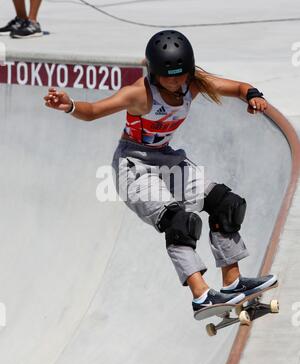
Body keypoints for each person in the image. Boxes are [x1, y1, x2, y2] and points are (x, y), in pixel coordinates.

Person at [44, 30, 277, 315]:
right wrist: (69, 106)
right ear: (155, 74)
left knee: (225, 204)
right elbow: (93, 110)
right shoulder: (139, 93)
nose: (177, 83)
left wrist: (254, 96)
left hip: (166, 159)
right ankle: (202, 294)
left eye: (181, 75)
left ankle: (233, 283)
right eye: (169, 77)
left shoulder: (194, 84)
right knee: (179, 222)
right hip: (133, 166)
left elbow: (240, 87)